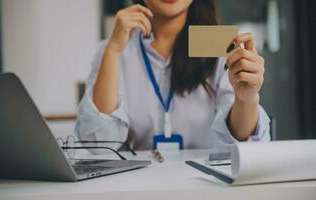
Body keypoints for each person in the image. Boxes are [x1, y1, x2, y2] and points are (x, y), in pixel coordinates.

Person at [75, 0, 270, 152]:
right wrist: (113, 50)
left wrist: (246, 99)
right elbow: (97, 144)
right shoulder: (115, 48)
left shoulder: (220, 46)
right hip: (137, 185)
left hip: (207, 184)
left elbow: (243, 144)